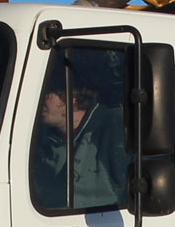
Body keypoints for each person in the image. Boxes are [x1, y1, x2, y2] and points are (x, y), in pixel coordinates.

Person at [31, 58, 132, 211]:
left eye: (48, 94)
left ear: (72, 96)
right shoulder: (41, 142)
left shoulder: (114, 127)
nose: (40, 100)